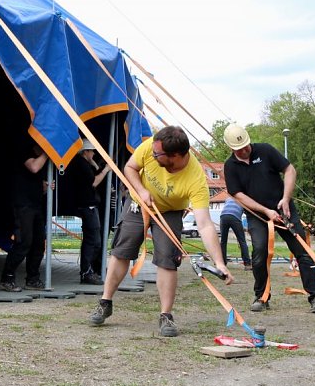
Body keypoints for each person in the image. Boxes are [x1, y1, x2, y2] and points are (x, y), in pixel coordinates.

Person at [88, 126, 232, 338]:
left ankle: (166, 316)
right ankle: (105, 302)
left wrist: (219, 262)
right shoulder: (151, 146)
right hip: (139, 203)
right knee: (121, 252)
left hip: (170, 212)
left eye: (158, 155)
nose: (152, 155)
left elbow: (204, 224)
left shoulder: (196, 179)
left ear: (176, 156)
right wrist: (142, 190)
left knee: (167, 259)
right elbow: (130, 168)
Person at [222, 123, 315, 314]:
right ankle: (261, 297)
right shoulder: (230, 166)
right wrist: (265, 211)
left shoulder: (265, 150)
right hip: (258, 216)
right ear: (231, 148)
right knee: (260, 252)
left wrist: (286, 199)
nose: (245, 149)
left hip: (284, 209)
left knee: (302, 251)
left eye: (246, 145)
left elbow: (290, 170)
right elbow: (238, 195)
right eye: (240, 148)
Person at [0, 141, 49, 292]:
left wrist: (45, 186)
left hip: (36, 204)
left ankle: (32, 279)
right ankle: (7, 278)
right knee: (24, 243)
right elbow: (34, 167)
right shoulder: (23, 150)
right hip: (23, 205)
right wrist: (48, 153)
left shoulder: (40, 158)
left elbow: (37, 182)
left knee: (38, 244)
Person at [65, 139, 110, 285]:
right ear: (85, 152)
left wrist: (95, 164)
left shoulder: (83, 164)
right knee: (93, 240)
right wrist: (106, 169)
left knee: (93, 240)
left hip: (88, 205)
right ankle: (86, 272)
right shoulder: (81, 164)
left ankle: (88, 270)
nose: (94, 153)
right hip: (88, 206)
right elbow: (94, 182)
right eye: (91, 151)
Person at [218, 197, 252, 270]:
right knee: (242, 241)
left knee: (223, 242)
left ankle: (222, 263)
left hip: (223, 216)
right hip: (235, 217)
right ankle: (247, 264)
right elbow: (248, 214)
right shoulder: (243, 199)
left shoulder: (228, 198)